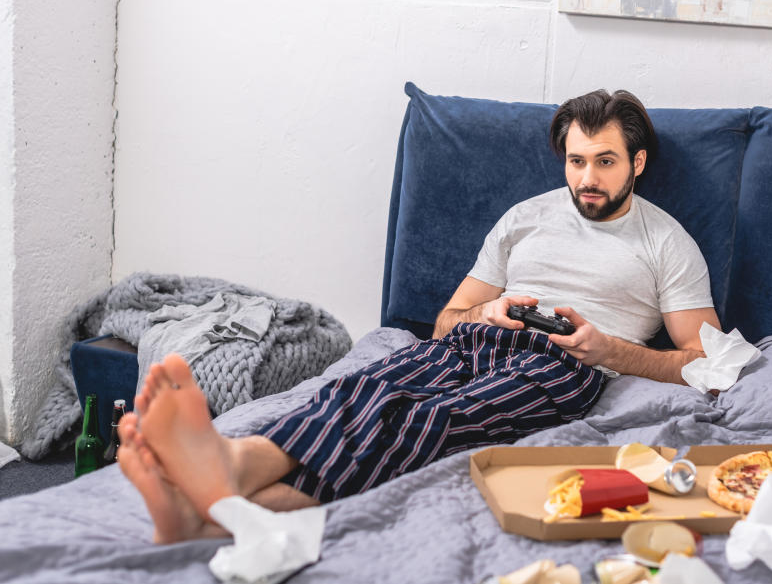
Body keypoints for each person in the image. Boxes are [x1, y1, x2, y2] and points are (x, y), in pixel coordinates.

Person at [117, 89, 721, 543]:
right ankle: (216, 502)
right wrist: (490, 309)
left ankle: (224, 488)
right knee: (365, 387)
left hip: (568, 363)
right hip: (480, 338)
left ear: (637, 164)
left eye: (605, 162)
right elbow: (444, 321)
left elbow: (706, 363)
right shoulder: (525, 218)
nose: (586, 179)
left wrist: (609, 350)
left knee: (433, 418)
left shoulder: (667, 243)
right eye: (575, 161)